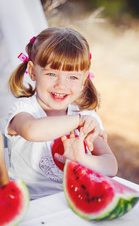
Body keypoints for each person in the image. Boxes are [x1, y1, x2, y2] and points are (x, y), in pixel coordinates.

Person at [5, 27, 118, 200]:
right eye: (51, 74)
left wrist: (82, 159)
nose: (61, 85)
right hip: (31, 205)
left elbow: (111, 166)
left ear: (84, 80)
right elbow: (31, 131)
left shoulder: (87, 117)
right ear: (33, 71)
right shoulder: (24, 110)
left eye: (72, 77)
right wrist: (78, 121)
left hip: (75, 202)